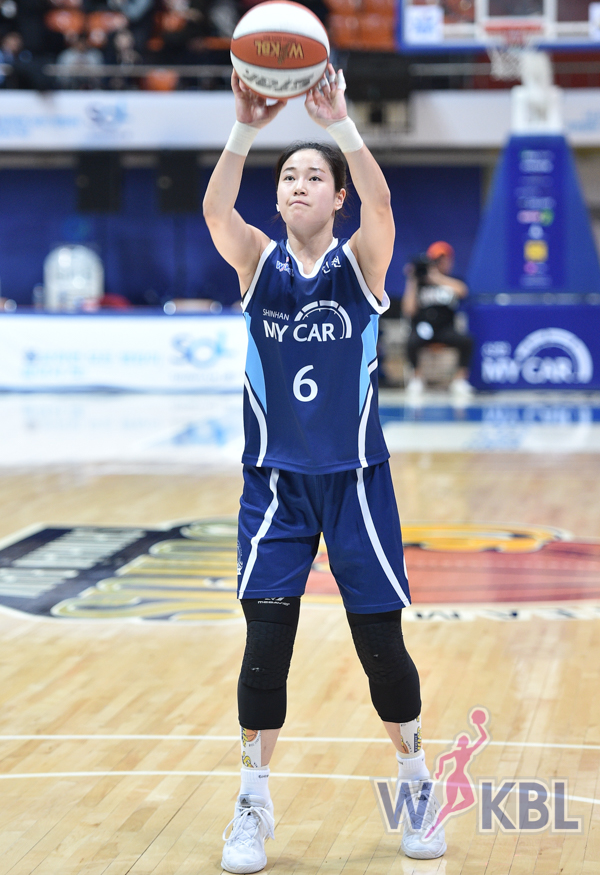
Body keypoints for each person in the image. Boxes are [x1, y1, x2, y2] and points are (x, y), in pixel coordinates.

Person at [203, 65, 447, 873]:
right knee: (264, 650)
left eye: (313, 176)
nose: (299, 185)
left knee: (381, 649)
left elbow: (384, 204)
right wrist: (246, 128)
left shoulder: (361, 266)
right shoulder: (255, 262)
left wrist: (339, 125)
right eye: (289, 177)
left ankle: (416, 782)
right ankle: (251, 801)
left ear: (336, 196)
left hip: (356, 483)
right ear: (277, 199)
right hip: (275, 484)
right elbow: (215, 210)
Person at [402, 241, 474, 397]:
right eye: (437, 260)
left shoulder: (453, 280)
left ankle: (459, 381)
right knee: (411, 341)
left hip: (446, 328)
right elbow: (408, 309)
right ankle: (416, 379)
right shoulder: (420, 283)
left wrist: (437, 278)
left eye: (444, 260)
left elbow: (463, 291)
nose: (441, 263)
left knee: (466, 341)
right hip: (424, 328)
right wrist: (412, 280)